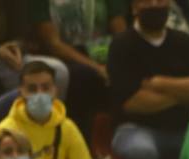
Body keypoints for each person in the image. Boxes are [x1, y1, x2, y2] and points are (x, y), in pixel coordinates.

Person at [108, 0, 189, 159]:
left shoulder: (184, 41)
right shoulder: (121, 45)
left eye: (160, 1)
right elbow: (132, 103)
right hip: (135, 128)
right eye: (148, 1)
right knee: (142, 153)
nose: (155, 5)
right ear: (134, 7)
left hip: (183, 128)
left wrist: (160, 84)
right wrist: (184, 93)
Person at [0, 59, 98, 159]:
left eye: (45, 87)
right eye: (32, 89)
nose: (39, 94)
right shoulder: (6, 131)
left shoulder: (66, 128)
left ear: (55, 90)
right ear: (21, 91)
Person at [27, 0, 123, 141]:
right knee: (83, 75)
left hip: (105, 49)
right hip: (67, 55)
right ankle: (81, 141)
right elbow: (54, 44)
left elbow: (121, 31)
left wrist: (122, 58)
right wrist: (96, 67)